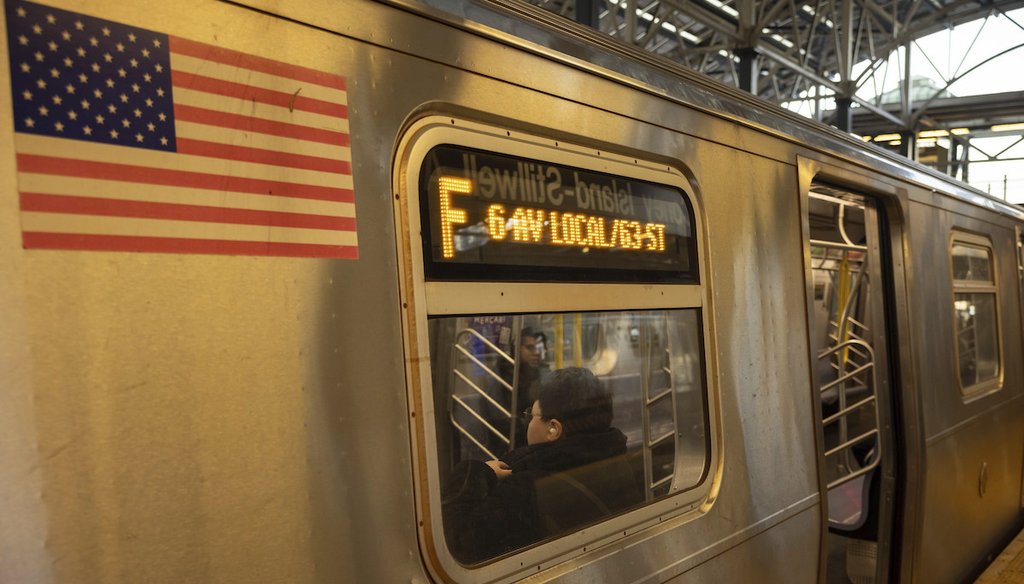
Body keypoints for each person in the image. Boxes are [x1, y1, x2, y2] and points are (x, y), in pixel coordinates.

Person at [442, 367, 642, 564]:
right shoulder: (616, 461)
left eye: (530, 416)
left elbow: (458, 546)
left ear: (553, 429)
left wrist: (477, 474)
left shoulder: (527, 488)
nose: (526, 423)